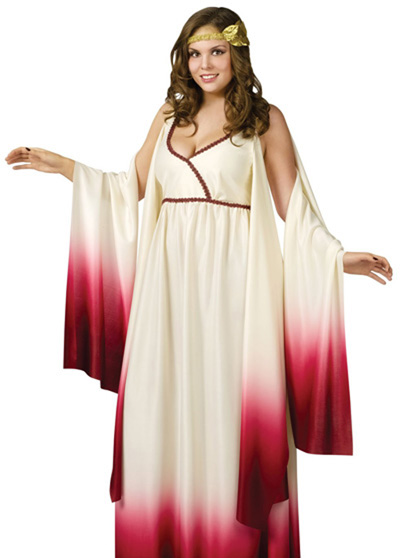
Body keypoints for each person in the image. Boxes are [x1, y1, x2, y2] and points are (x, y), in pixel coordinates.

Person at [4, 6, 393, 558]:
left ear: (237, 55)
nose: (205, 64)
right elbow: (131, 187)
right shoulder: (170, 115)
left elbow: (295, 210)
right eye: (194, 53)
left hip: (234, 298)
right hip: (163, 297)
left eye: (216, 51)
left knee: (227, 422)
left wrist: (337, 258)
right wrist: (65, 166)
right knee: (154, 415)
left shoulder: (264, 121)